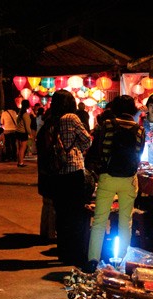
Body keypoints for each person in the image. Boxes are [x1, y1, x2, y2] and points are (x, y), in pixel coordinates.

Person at [84, 94, 145, 273]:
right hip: (129, 180)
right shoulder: (140, 130)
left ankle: (93, 260)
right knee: (126, 222)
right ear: (132, 110)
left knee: (100, 221)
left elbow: (98, 150)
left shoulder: (107, 125)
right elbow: (138, 154)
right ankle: (123, 263)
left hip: (107, 178)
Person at [47, 90, 92, 267]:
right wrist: (77, 149)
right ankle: (76, 254)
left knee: (62, 215)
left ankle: (64, 252)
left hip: (57, 172)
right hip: (73, 170)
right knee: (77, 215)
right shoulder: (71, 118)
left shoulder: (52, 120)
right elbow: (87, 140)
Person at [15, 100, 32, 167]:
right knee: (23, 148)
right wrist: (30, 133)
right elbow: (27, 126)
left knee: (19, 148)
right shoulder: (25, 114)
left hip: (18, 132)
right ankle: (21, 162)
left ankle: (19, 162)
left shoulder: (20, 113)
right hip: (23, 133)